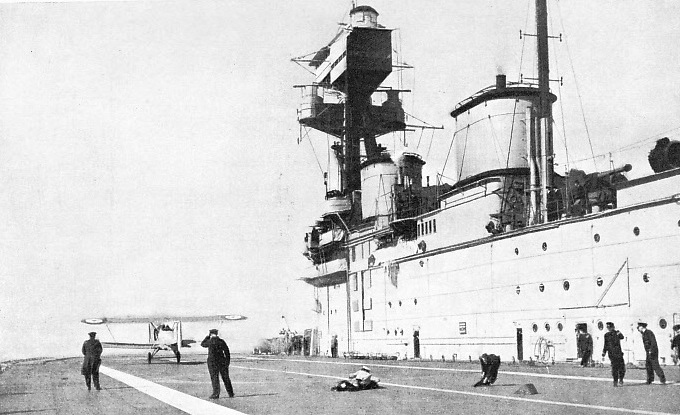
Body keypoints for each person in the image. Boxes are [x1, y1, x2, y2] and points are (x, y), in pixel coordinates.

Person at [201, 329, 234, 399]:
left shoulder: (210, 341)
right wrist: (227, 362)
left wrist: (207, 337)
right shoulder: (221, 341)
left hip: (212, 362)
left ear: (211, 334)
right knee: (226, 378)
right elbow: (227, 352)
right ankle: (230, 393)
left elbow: (202, 344)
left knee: (214, 378)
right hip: (222, 361)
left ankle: (216, 393)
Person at [601, 322, 626, 387]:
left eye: (610, 327)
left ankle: (621, 379)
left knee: (621, 368)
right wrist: (604, 352)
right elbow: (605, 344)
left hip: (619, 353)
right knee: (614, 368)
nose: (609, 329)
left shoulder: (617, 333)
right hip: (611, 354)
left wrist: (618, 332)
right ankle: (615, 381)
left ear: (613, 327)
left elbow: (622, 337)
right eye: (608, 327)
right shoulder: (606, 335)